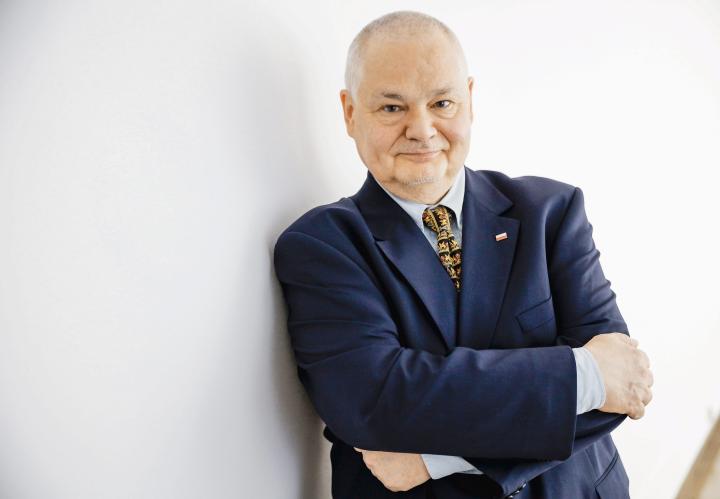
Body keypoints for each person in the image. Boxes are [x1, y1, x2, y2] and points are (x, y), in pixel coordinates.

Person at [273, 10, 653, 499]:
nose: (422, 129)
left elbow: (621, 387)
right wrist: (584, 375)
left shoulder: (552, 212)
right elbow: (376, 402)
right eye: (392, 107)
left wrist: (432, 459)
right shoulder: (322, 245)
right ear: (349, 112)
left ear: (469, 101)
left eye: (442, 103)